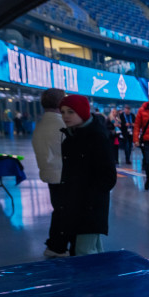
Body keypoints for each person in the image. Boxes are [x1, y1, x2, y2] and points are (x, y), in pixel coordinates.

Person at [58, 95, 117, 255]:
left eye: (71, 112)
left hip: (89, 207)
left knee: (83, 252)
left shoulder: (97, 137)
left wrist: (90, 199)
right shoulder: (70, 138)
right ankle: (101, 278)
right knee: (93, 249)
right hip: (76, 204)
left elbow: (108, 177)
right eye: (63, 112)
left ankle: (94, 279)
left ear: (82, 112)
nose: (65, 116)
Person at [31, 88, 72, 258]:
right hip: (63, 176)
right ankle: (57, 246)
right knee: (64, 212)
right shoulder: (62, 125)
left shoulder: (40, 125)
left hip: (50, 174)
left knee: (59, 210)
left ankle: (56, 244)